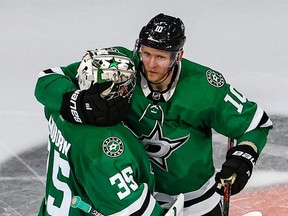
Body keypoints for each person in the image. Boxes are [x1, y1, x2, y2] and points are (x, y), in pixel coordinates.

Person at [35, 13, 273, 216]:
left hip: (195, 206)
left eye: (160, 57)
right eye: (146, 53)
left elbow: (256, 124)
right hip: (133, 199)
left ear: (177, 56)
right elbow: (48, 79)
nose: (150, 64)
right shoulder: (119, 67)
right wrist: (80, 102)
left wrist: (243, 158)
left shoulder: (205, 86)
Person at [36, 49, 166, 215]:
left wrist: (83, 104)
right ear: (110, 91)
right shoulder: (108, 149)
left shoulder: (59, 108)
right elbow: (134, 211)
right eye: (124, 86)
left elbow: (48, 79)